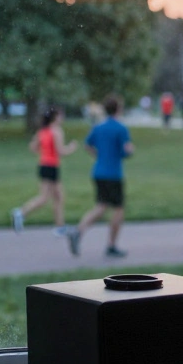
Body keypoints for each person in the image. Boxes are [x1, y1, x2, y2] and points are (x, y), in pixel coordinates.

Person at [70, 95, 134, 257]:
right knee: (118, 209)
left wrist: (99, 155)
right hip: (113, 174)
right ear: (118, 109)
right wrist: (128, 151)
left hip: (98, 172)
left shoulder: (98, 127)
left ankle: (78, 231)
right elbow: (127, 149)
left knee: (101, 206)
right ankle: (111, 245)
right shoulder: (121, 128)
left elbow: (87, 145)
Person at [10, 106, 79, 236]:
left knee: (58, 196)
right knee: (45, 198)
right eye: (60, 115)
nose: (62, 118)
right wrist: (72, 148)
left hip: (44, 165)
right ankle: (20, 213)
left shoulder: (43, 131)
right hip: (52, 166)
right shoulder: (57, 131)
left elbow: (33, 147)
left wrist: (44, 153)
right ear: (55, 117)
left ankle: (60, 226)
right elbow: (61, 151)